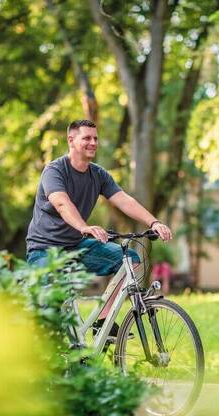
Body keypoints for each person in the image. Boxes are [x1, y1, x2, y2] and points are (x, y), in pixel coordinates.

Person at [25, 119, 172, 331]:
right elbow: (61, 203)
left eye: (95, 138)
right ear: (71, 140)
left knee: (130, 260)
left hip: (77, 247)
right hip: (44, 252)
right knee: (51, 313)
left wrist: (154, 222)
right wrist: (84, 227)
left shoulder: (98, 174)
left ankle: (103, 322)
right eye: (87, 138)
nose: (93, 142)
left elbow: (124, 200)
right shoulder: (54, 170)